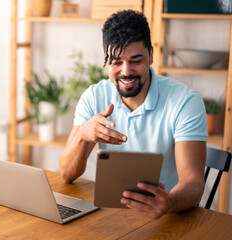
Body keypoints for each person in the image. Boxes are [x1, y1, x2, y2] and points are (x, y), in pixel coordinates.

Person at [59, 10, 207, 219]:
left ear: (151, 55)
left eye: (136, 60)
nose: (126, 71)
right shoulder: (94, 96)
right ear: (106, 61)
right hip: (110, 215)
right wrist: (83, 134)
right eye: (116, 62)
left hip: (168, 216)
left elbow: (193, 182)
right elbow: (67, 173)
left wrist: (169, 203)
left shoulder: (185, 102)